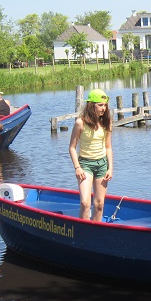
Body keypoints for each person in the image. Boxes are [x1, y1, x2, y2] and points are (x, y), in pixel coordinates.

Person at [68, 89, 113, 222]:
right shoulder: (80, 123)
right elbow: (71, 147)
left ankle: (96, 232)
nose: (103, 108)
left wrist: (110, 168)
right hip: (85, 165)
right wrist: (77, 167)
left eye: (105, 105)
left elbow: (108, 147)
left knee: (99, 205)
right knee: (85, 203)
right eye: (100, 105)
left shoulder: (106, 123)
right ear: (91, 105)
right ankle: (84, 231)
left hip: (102, 165)